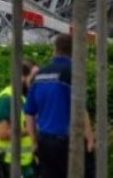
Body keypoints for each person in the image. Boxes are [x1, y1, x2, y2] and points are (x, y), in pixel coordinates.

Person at [24, 34, 95, 178]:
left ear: (55, 50)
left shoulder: (39, 75)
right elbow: (80, 110)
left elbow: (29, 113)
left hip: (45, 142)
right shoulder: (73, 73)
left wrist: (34, 142)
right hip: (68, 142)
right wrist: (89, 138)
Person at [0, 59, 38, 178]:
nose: (35, 82)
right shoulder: (7, 99)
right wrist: (30, 130)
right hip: (5, 163)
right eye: (32, 78)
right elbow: (2, 133)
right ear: (22, 77)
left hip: (19, 162)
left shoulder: (22, 98)